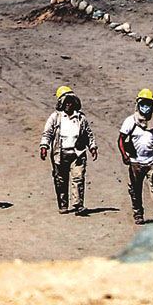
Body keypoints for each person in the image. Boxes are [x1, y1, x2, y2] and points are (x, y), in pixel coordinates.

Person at [39, 84, 97, 214]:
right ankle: (63, 204)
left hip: (77, 153)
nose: (68, 105)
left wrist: (92, 147)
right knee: (60, 180)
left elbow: (88, 134)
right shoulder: (55, 117)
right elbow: (47, 133)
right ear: (61, 103)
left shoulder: (81, 118)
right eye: (66, 102)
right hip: (60, 153)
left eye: (71, 102)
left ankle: (78, 205)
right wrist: (44, 146)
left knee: (78, 178)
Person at [117, 88, 153, 224]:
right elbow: (120, 139)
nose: (145, 107)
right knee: (135, 190)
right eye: (143, 103)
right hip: (136, 162)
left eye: (148, 104)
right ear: (138, 104)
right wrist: (125, 155)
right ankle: (138, 213)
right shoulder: (130, 121)